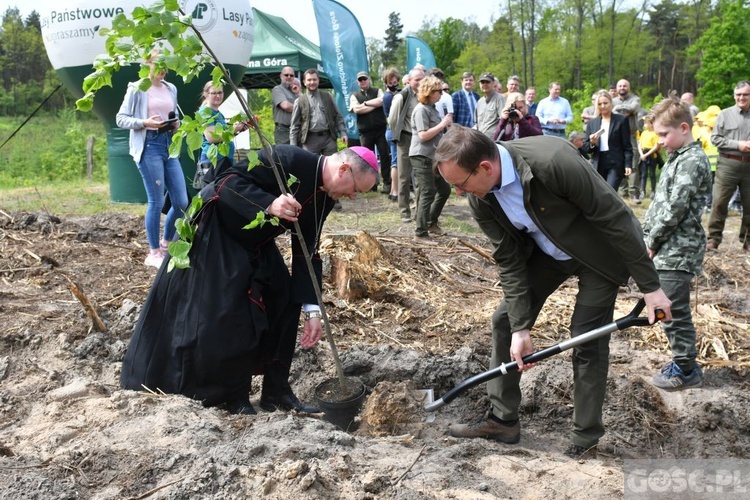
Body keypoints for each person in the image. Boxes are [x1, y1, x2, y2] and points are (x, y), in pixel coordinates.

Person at [433, 125, 672, 459]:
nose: (458, 192)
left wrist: (651, 287)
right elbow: (509, 259)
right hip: (548, 254)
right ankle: (503, 420)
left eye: (460, 183)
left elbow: (614, 215)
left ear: (485, 168)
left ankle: (585, 436)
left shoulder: (553, 160)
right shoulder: (481, 198)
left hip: (598, 253)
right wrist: (521, 327)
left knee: (586, 336)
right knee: (504, 320)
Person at [120, 145, 380, 415]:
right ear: (343, 169)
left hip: (255, 243)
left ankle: (276, 392)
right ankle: (234, 395)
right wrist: (269, 203)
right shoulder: (288, 159)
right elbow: (226, 182)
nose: (351, 196)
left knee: (284, 298)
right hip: (216, 231)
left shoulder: (325, 195)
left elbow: (307, 248)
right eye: (355, 189)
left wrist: (312, 307)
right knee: (236, 310)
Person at [643, 98, 711, 390]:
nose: (659, 141)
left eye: (663, 134)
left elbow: (675, 209)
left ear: (684, 128)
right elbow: (661, 202)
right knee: (669, 308)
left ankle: (686, 368)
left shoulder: (693, 160)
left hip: (678, 249)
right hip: (668, 246)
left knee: (673, 310)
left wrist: (653, 240)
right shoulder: (678, 156)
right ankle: (683, 361)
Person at [116, 49, 187, 270]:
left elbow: (176, 116)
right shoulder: (137, 88)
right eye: (160, 64)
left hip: (169, 144)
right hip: (149, 145)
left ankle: (166, 243)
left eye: (167, 65)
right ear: (148, 64)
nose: (164, 69)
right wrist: (145, 122)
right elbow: (121, 119)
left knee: (182, 201)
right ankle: (153, 252)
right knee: (156, 201)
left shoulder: (171, 88)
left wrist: (176, 124)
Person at [707, 80, 750, 251]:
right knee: (719, 202)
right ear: (734, 96)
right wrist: (738, 145)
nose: (741, 98)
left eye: (745, 94)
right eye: (738, 95)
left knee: (749, 205)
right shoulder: (724, 114)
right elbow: (715, 139)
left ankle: (747, 241)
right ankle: (713, 239)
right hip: (728, 163)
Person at [409, 76, 453, 238]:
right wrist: (442, 124)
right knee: (428, 192)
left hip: (433, 157)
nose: (442, 94)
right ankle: (420, 232)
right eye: (438, 91)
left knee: (444, 190)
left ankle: (430, 222)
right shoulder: (421, 109)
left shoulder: (432, 108)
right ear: (429, 92)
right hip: (421, 156)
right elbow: (423, 136)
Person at [193, 82, 250, 189]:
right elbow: (211, 138)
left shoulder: (218, 113)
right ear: (206, 94)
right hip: (213, 161)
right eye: (214, 93)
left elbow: (223, 137)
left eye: (220, 92)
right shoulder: (205, 112)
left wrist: (238, 130)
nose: (218, 96)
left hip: (224, 160)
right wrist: (233, 129)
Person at [389, 67, 425, 222]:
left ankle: (420, 211)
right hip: (405, 138)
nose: (420, 82)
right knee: (404, 177)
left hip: (421, 139)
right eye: (417, 79)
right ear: (409, 81)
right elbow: (392, 120)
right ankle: (404, 211)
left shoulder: (425, 95)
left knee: (419, 177)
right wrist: (400, 134)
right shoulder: (401, 96)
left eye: (422, 79)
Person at [582, 90, 633, 191]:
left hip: (615, 161)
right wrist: (592, 142)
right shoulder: (592, 123)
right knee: (600, 193)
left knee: (610, 191)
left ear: (611, 103)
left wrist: (628, 164)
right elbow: (586, 149)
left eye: (605, 103)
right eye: (600, 104)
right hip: (598, 161)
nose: (603, 106)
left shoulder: (621, 120)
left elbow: (627, 145)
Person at [350, 70, 391, 194]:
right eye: (360, 80)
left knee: (384, 156)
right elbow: (356, 110)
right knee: (367, 160)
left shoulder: (377, 90)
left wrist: (365, 104)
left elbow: (382, 101)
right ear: (358, 82)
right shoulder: (354, 95)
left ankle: (387, 184)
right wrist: (374, 104)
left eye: (365, 79)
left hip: (380, 130)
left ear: (368, 80)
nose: (363, 81)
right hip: (365, 132)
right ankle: (371, 185)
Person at [290, 69, 348, 155]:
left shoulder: (328, 96)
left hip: (329, 138)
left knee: (332, 166)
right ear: (304, 82)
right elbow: (294, 125)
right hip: (309, 140)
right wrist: (293, 146)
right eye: (309, 80)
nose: (312, 82)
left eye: (314, 79)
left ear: (318, 81)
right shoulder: (299, 101)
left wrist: (343, 133)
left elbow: (338, 117)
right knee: (310, 166)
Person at [612, 79, 642, 201]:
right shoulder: (612, 101)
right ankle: (622, 192)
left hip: (630, 134)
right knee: (619, 163)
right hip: (616, 135)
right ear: (617, 88)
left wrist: (617, 109)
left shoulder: (635, 99)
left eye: (625, 85)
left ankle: (634, 193)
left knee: (633, 164)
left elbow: (632, 108)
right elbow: (610, 112)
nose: (622, 87)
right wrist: (623, 110)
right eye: (620, 86)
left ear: (628, 88)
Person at [382, 67, 401, 202]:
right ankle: (395, 191)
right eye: (391, 83)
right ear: (386, 83)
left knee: (395, 161)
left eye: (395, 82)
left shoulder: (393, 95)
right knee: (395, 162)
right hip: (393, 130)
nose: (394, 85)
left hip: (392, 130)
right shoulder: (389, 97)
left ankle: (395, 190)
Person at [637, 115, 662, 200]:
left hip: (652, 156)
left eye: (646, 123)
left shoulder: (655, 133)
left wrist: (646, 155)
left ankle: (653, 192)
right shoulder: (644, 133)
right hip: (643, 155)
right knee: (643, 174)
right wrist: (641, 154)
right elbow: (640, 144)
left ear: (651, 124)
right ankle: (642, 191)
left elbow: (656, 146)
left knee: (652, 174)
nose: (644, 125)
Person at [475, 72, 506, 139]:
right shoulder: (480, 102)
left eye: (487, 82)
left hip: (494, 141)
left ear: (493, 83)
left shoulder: (500, 98)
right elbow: (477, 124)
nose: (485, 84)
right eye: (482, 82)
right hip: (481, 139)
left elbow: (504, 121)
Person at [271, 66, 298, 145]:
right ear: (281, 76)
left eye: (291, 75)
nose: (289, 77)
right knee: (284, 155)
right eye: (286, 75)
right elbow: (286, 106)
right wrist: (301, 109)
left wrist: (298, 93)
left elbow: (307, 104)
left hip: (296, 130)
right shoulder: (277, 89)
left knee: (298, 156)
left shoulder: (295, 91)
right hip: (283, 130)